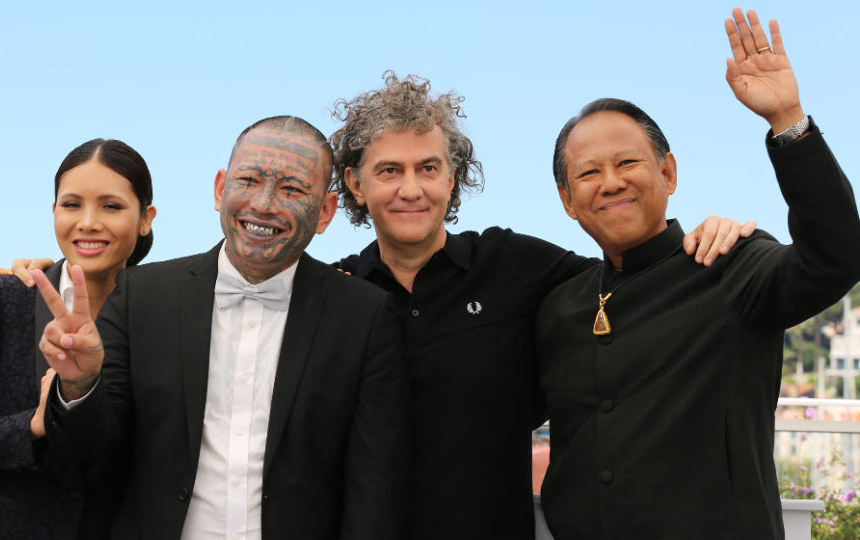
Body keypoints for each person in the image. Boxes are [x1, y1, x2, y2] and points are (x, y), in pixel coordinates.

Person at [328, 72, 754, 537]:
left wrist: (702, 238)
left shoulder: (513, 265)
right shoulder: (336, 294)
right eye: (389, 170)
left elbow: (630, 280)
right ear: (354, 184)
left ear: (452, 179)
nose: (411, 189)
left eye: (428, 168)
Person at [535, 9, 860, 539]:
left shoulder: (730, 263)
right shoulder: (560, 304)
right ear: (568, 201)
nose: (610, 182)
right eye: (589, 173)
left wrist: (789, 120)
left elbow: (836, 256)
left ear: (668, 173)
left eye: (628, 164)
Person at [33, 116, 409, 540]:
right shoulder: (141, 295)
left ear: (324, 212)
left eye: (292, 189)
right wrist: (81, 386)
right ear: (219, 190)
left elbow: (373, 486)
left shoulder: (365, 315)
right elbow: (87, 461)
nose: (264, 204)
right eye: (248, 180)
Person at [0, 138, 158, 539]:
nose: (88, 222)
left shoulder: (162, 314)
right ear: (54, 211)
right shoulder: (4, 299)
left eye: (111, 206)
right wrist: (31, 425)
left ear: (145, 218)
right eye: (72, 204)